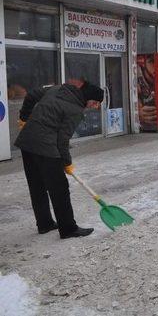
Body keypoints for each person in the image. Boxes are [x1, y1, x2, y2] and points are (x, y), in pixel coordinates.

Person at [14, 80, 104, 239]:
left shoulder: (56, 89)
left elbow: (32, 95)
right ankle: (68, 229)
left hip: (27, 142)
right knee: (59, 189)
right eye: (96, 103)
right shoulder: (75, 110)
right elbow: (62, 141)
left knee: (37, 185)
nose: (95, 106)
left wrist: (24, 118)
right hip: (46, 147)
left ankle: (44, 224)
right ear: (88, 98)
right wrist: (67, 162)